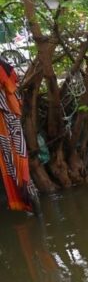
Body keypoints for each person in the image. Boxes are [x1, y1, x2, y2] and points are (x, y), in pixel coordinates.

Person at [0, 59, 38, 212]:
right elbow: (11, 85)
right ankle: (24, 189)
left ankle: (25, 188)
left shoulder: (3, 68)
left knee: (14, 154)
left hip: (7, 117)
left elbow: (9, 86)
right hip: (7, 120)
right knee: (10, 155)